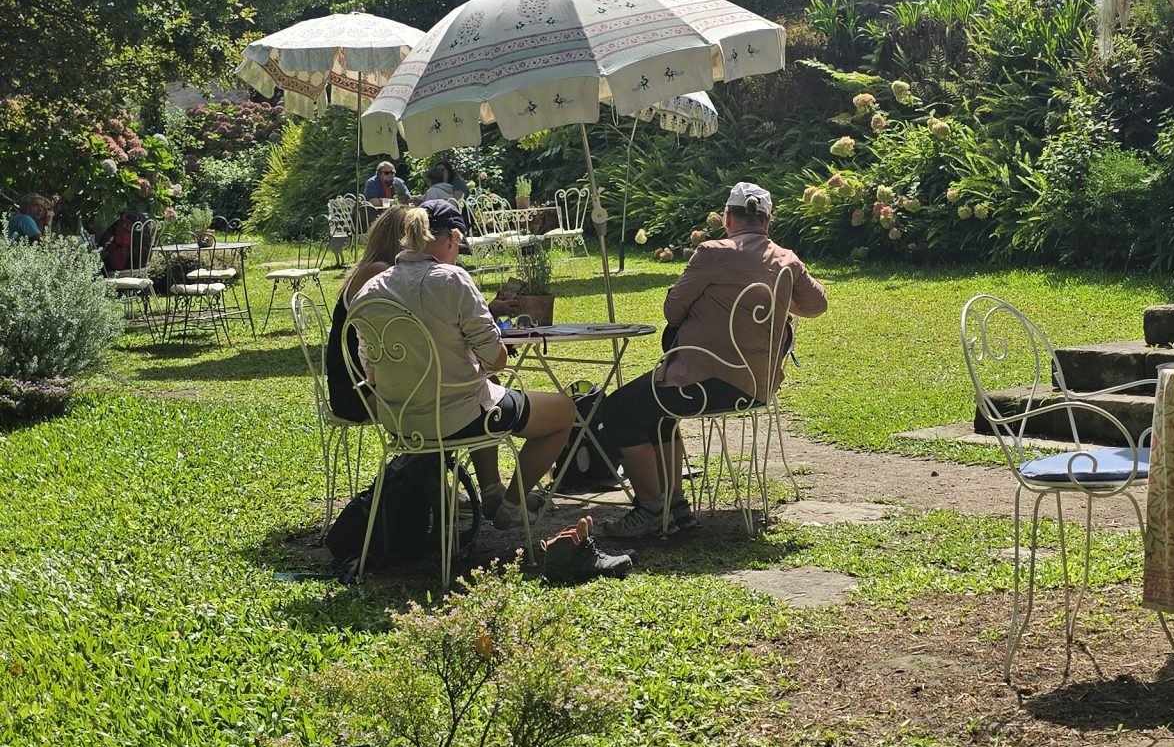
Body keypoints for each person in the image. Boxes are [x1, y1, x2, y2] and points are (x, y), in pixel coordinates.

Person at [601, 181, 827, 535]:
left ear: (727, 218)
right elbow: (817, 305)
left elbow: (673, 312)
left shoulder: (712, 252)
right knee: (657, 413)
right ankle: (674, 506)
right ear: (768, 222)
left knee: (617, 410)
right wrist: (778, 297)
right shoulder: (787, 259)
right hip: (755, 387)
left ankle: (652, 507)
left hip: (704, 385)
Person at [350, 200, 575, 536]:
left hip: (402, 422)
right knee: (564, 412)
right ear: (453, 238)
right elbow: (495, 359)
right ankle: (512, 507)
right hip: (458, 418)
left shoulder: (369, 291)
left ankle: (493, 492)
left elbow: (371, 371)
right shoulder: (452, 279)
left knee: (486, 391)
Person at [325, 205, 408, 419]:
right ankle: (423, 452)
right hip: (359, 393)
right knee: (455, 394)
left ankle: (427, 452)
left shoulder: (372, 265)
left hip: (359, 383)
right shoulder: (380, 271)